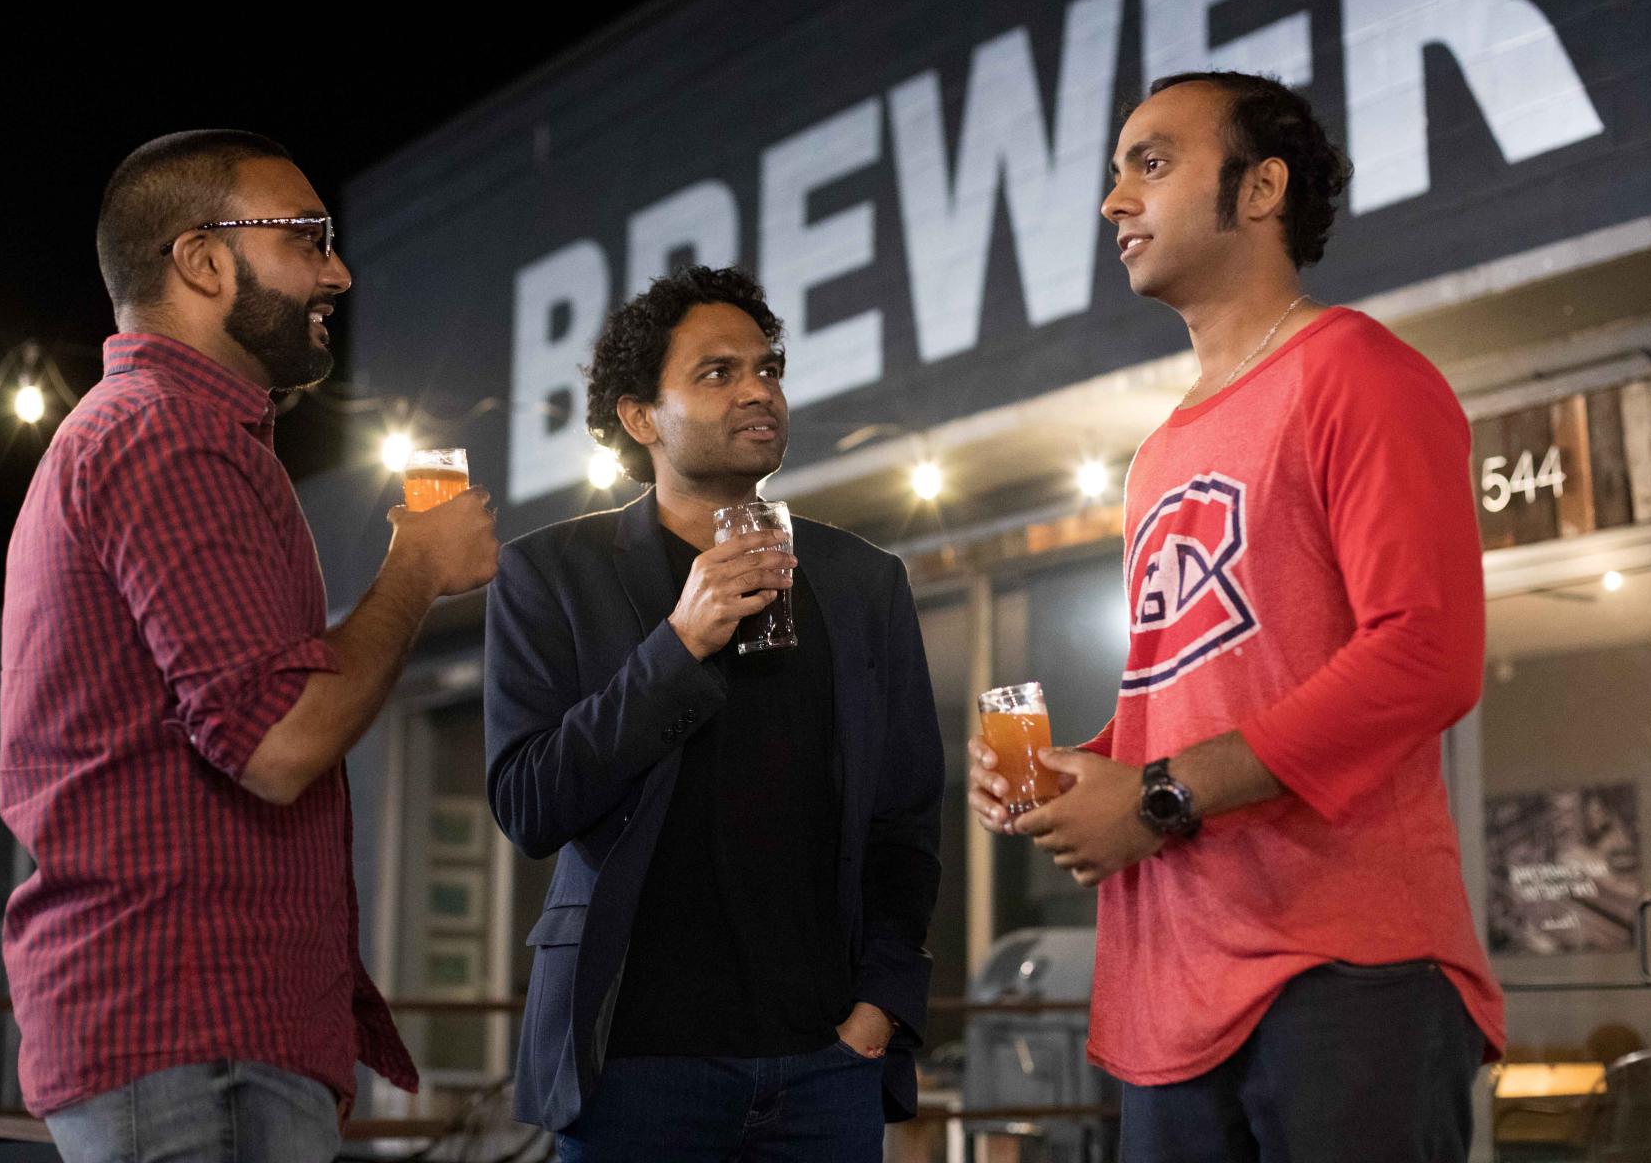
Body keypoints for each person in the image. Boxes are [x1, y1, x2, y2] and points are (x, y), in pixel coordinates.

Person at [968, 72, 1505, 1161]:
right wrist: (1093, 768)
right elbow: (1194, 686)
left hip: (1344, 969)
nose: (1116, 200)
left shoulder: (1357, 371)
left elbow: (1427, 654)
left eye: (1151, 162)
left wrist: (1160, 795)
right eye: (1117, 171)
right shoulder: (1158, 453)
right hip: (1172, 992)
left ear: (1260, 187)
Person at [0, 130, 499, 1160]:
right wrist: (415, 570)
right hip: (193, 1034)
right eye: (308, 237)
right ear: (202, 259)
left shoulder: (173, 434)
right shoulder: (166, 432)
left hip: (205, 1033)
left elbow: (245, 705)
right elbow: (278, 741)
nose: (339, 269)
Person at [484, 264, 943, 1160]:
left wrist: (880, 1008)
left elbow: (907, 818)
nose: (758, 392)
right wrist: (676, 645)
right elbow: (531, 805)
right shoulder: (550, 574)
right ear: (640, 417)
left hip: (825, 1066)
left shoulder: (861, 581)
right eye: (717, 373)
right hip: (634, 1071)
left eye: (767, 368)